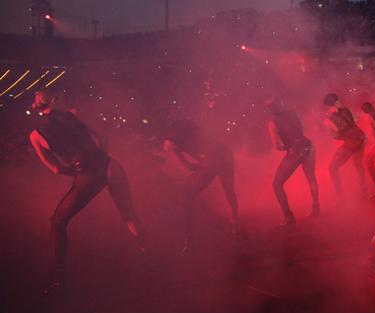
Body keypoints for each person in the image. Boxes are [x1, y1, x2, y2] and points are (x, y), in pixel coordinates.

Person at [28, 90, 146, 293]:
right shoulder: (73, 114)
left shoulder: (35, 135)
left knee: (58, 222)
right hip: (109, 165)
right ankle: (148, 257)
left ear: (36, 106)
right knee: (128, 214)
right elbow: (103, 138)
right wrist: (102, 163)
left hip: (87, 174)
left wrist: (79, 172)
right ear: (54, 102)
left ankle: (59, 281)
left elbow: (56, 169)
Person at [163, 118, 238, 251]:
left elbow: (186, 164)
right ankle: (234, 223)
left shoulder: (170, 142)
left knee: (187, 194)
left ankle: (189, 238)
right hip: (225, 153)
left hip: (212, 159)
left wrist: (194, 166)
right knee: (228, 190)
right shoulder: (191, 128)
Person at [267, 97, 319, 228]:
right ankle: (316, 208)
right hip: (307, 145)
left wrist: (287, 147)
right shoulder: (292, 113)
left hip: (295, 151)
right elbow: (301, 128)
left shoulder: (272, 122)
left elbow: (277, 145)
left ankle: (288, 218)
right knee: (311, 178)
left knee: (277, 184)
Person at [323, 93, 367, 197]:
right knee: (358, 165)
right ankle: (364, 191)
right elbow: (355, 121)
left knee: (332, 168)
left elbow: (335, 136)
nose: (340, 102)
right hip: (361, 138)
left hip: (352, 142)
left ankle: (341, 198)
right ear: (333, 103)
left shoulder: (328, 120)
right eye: (338, 101)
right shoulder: (347, 110)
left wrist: (340, 135)